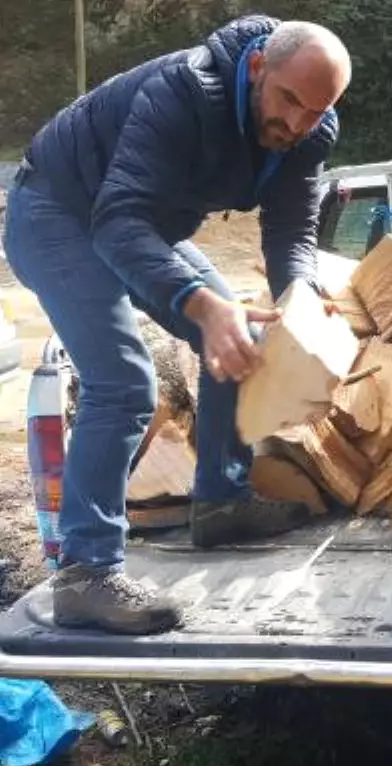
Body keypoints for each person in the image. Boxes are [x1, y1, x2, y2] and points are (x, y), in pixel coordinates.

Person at [2, 16, 352, 635]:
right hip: (58, 212)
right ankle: (85, 574)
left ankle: (220, 498)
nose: (296, 124)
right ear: (256, 69)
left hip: (137, 224)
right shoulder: (183, 90)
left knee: (243, 336)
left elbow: (292, 228)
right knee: (124, 382)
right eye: (288, 101)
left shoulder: (311, 130)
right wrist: (197, 300)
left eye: (315, 111)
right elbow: (115, 222)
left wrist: (303, 295)